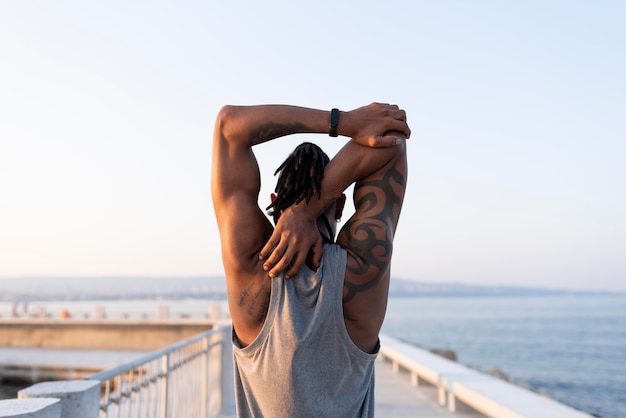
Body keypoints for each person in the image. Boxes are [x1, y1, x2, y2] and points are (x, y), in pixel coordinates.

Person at [211, 103, 410, 417]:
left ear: (274, 202)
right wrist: (308, 209)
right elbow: (392, 139)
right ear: (340, 205)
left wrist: (341, 122)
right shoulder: (362, 268)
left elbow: (229, 126)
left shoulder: (249, 264)